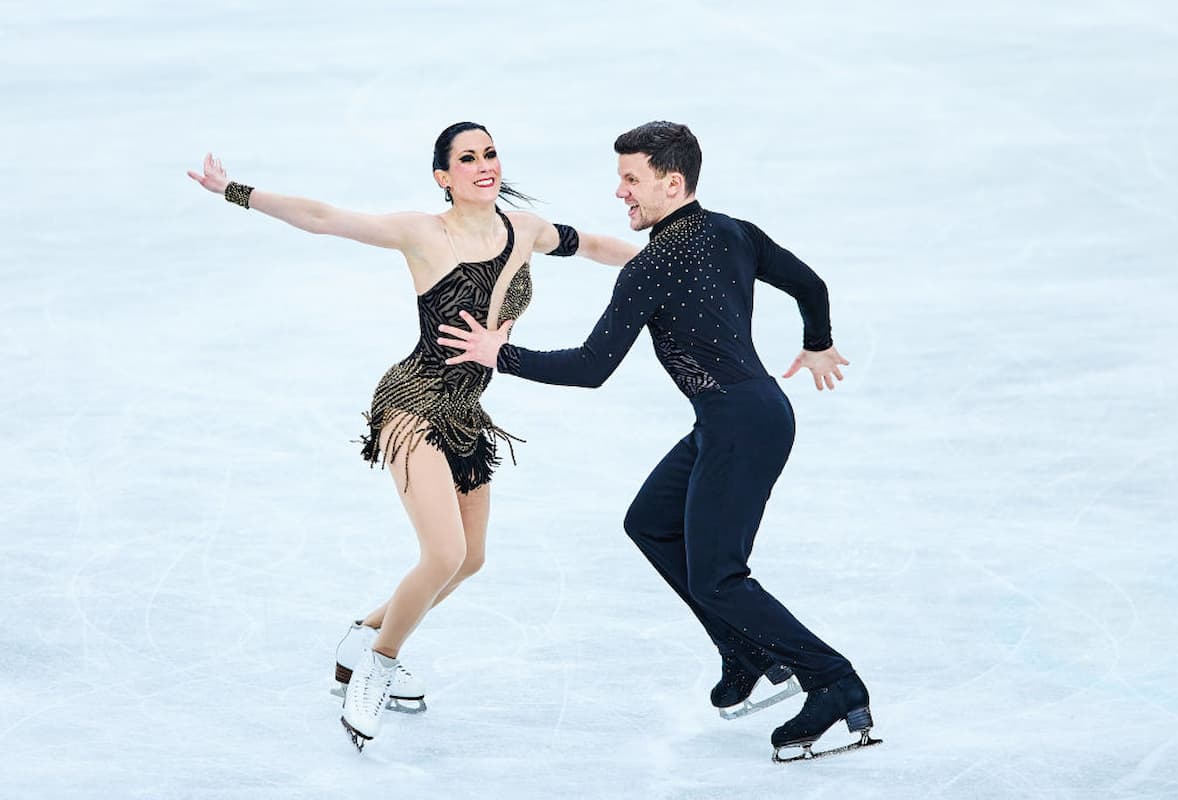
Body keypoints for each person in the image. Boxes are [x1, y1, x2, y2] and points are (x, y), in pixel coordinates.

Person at [187, 122, 639, 751]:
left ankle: (361, 637)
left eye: (490, 154)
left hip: (464, 411)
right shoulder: (423, 233)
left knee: (471, 558)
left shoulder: (525, 230)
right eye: (467, 158)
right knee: (443, 555)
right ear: (442, 177)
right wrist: (234, 190)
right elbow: (322, 218)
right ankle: (377, 665)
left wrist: (681, 258)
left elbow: (594, 246)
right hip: (411, 404)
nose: (484, 166)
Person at [436, 121, 877, 761]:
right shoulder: (734, 232)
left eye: (631, 178)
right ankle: (743, 649)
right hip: (737, 418)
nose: (620, 192)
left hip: (740, 425)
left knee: (720, 577)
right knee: (650, 522)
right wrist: (817, 341)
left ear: (673, 183)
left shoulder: (653, 267)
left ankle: (834, 682)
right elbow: (810, 285)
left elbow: (591, 367)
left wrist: (502, 354)